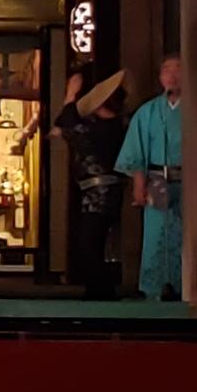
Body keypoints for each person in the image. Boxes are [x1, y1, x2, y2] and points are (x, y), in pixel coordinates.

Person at [115, 56, 184, 300]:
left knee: (185, 235)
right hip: (157, 178)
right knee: (155, 236)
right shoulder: (148, 111)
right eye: (166, 70)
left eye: (178, 69)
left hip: (190, 180)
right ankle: (154, 288)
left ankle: (185, 286)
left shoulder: (195, 110)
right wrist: (139, 183)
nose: (172, 75)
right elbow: (137, 149)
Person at [58, 70, 129, 300]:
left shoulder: (105, 129)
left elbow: (68, 126)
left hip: (100, 192)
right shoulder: (115, 126)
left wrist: (70, 95)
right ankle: (98, 289)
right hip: (101, 191)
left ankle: (101, 291)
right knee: (92, 242)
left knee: (90, 243)